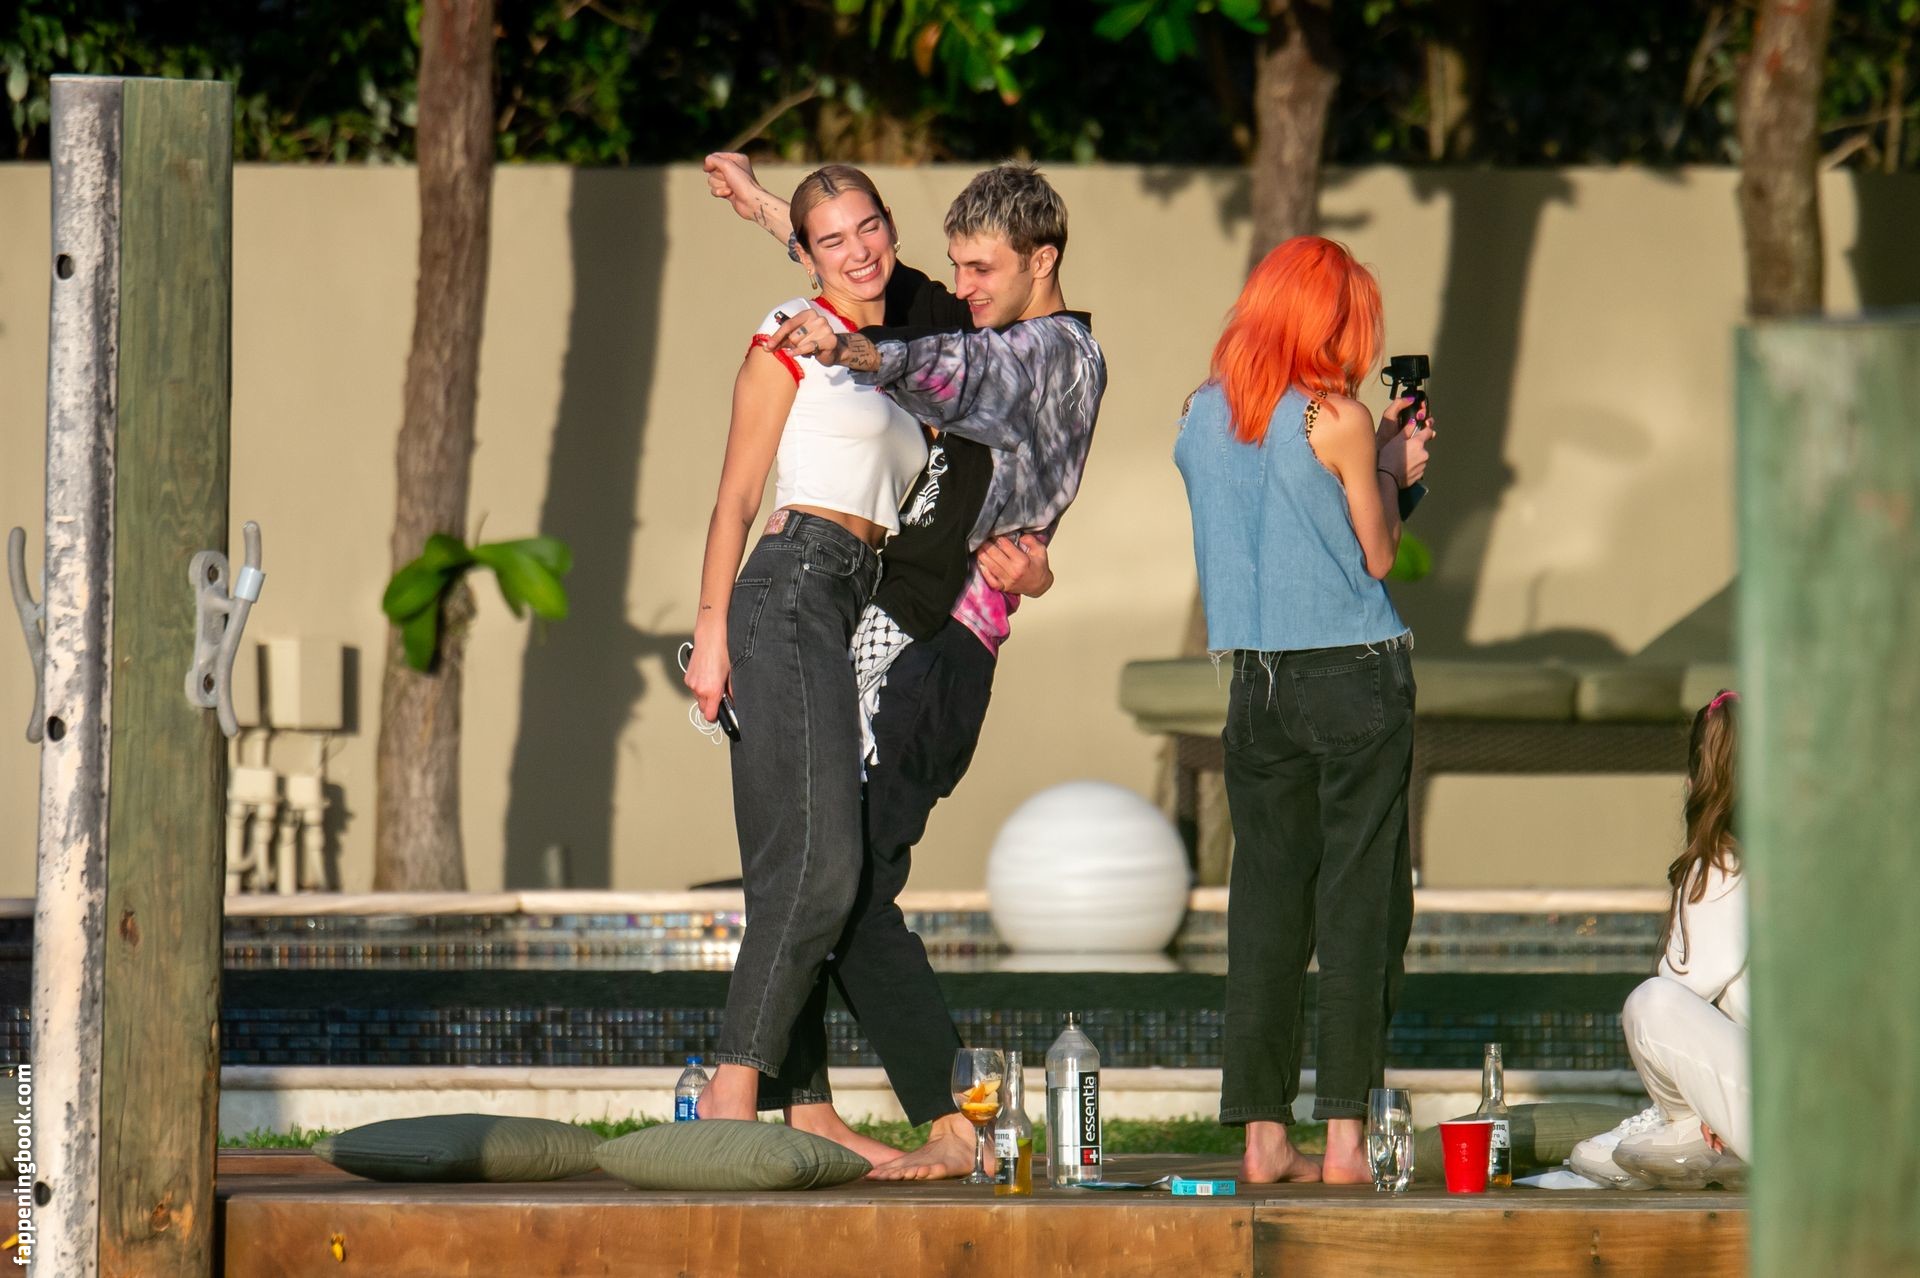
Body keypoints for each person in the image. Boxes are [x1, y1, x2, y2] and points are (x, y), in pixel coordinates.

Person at [707, 155, 1106, 1178]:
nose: (960, 288)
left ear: (1042, 260)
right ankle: (815, 1111)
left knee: (854, 884)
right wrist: (767, 210)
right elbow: (867, 273)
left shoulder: (1056, 353)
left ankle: (951, 1123)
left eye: (981, 270)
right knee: (819, 866)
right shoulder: (973, 314)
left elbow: (952, 371)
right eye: (957, 269)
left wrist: (849, 349)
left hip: (942, 644)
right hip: (882, 631)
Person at [1173, 235, 1434, 1184]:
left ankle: (1262, 1136)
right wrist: (1394, 469)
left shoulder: (1199, 414)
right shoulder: (1339, 416)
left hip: (1254, 684)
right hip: (1353, 673)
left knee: (1267, 902)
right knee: (1361, 902)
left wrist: (1376, 467)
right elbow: (1377, 554)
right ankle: (1346, 1143)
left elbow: (1283, 519)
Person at [1570, 690, 1749, 1188]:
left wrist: (1696, 1105)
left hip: (1786, 1108)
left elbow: (1674, 1007)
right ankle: (1705, 1132)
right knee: (1606, 1155)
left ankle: (1688, 1126)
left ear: (1693, 785)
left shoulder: (1721, 865)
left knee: (1652, 1003)